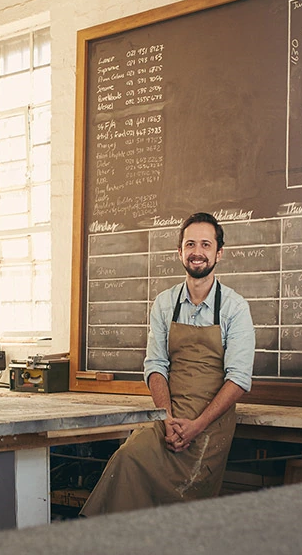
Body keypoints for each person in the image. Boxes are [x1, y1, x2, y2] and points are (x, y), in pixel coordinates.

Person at [80, 212, 255, 516]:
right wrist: (167, 419)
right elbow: (156, 365)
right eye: (190, 244)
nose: (197, 252)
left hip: (209, 425)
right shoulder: (164, 303)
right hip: (169, 419)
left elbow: (239, 379)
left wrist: (196, 426)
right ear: (179, 252)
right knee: (128, 458)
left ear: (219, 253)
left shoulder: (234, 307)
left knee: (187, 501)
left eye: (205, 244)